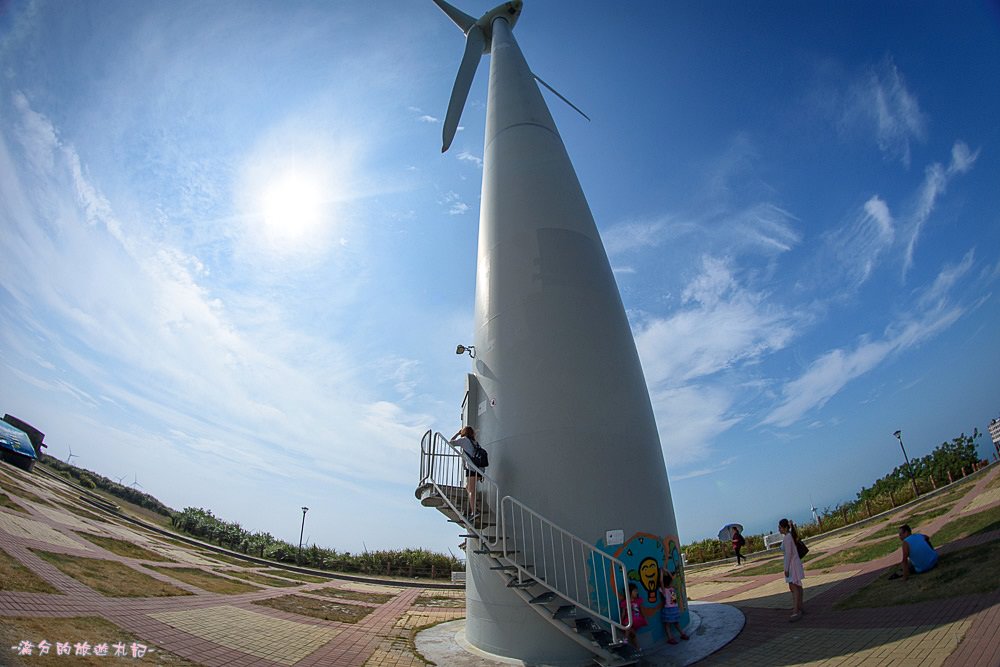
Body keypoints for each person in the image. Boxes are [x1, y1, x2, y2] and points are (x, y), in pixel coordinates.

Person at [451, 426, 482, 519]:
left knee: (471, 491)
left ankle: (474, 512)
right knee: (468, 488)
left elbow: (451, 442)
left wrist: (457, 433)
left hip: (471, 469)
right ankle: (475, 507)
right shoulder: (475, 442)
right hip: (479, 469)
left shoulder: (464, 440)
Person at [778, 518, 805, 621]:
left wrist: (786, 568)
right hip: (793, 564)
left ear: (784, 528)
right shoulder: (789, 536)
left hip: (792, 565)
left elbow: (788, 554)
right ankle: (799, 607)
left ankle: (796, 610)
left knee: (794, 588)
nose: (779, 529)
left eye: (780, 527)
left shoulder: (787, 538)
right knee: (797, 586)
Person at [658, 568, 688, 645]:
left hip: (668, 609)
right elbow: (672, 578)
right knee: (676, 623)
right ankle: (682, 634)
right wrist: (667, 571)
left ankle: (670, 638)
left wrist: (661, 572)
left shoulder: (664, 590)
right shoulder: (673, 589)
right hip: (675, 608)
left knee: (667, 625)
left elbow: (661, 581)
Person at [619, 582, 647, 650]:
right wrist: (621, 622)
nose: (636, 592)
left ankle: (626, 643)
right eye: (635, 591)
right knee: (630, 632)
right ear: (629, 592)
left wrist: (644, 618)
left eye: (637, 591)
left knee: (632, 634)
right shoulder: (625, 602)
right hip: (628, 620)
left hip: (637, 620)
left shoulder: (638, 600)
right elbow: (623, 613)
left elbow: (641, 610)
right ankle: (632, 645)